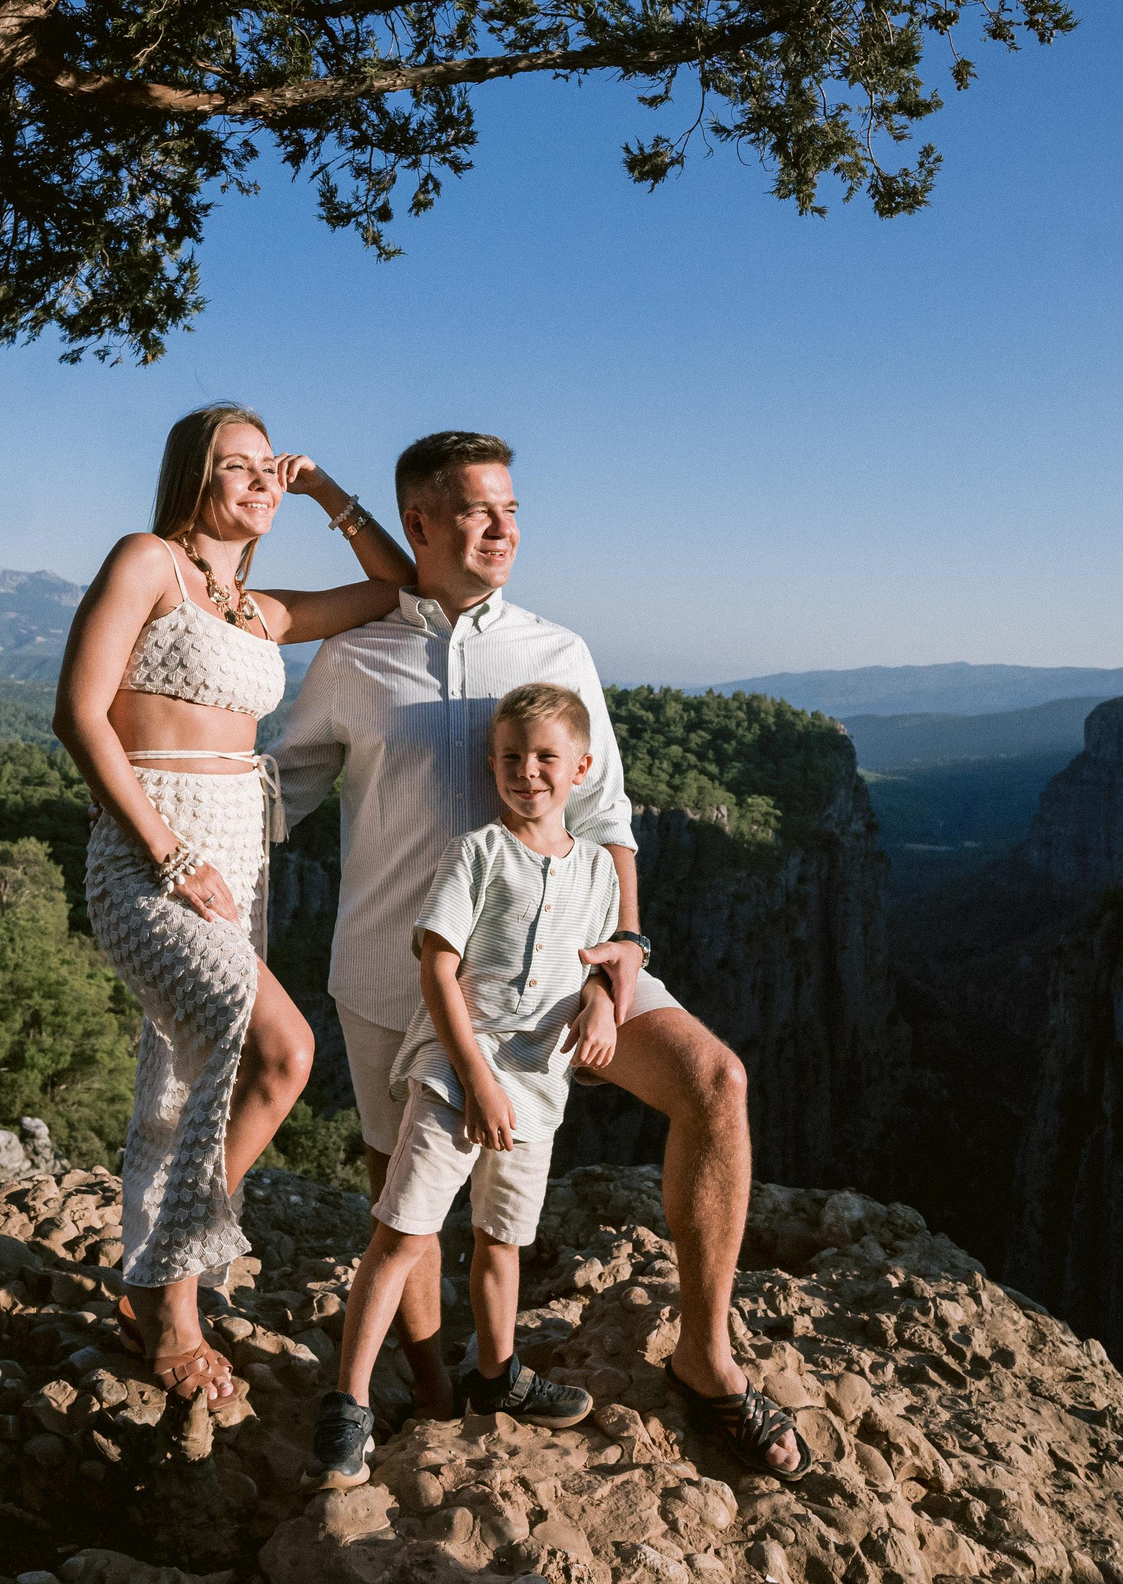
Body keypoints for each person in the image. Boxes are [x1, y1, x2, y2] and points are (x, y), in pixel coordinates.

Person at [270, 431, 810, 1479]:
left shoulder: (559, 652)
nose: (504, 528)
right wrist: (155, 817)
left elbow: (608, 820)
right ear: (419, 522)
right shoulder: (354, 657)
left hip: (569, 963)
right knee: (408, 1211)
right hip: (398, 978)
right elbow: (280, 794)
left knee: (717, 1082)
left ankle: (705, 1359)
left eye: (511, 509)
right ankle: (437, 1397)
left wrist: (620, 964)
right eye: (478, 509)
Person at [55, 403, 414, 1412]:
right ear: (194, 476)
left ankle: (158, 1265)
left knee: (188, 1076)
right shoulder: (147, 563)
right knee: (280, 1050)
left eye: (270, 468)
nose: (262, 483)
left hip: (236, 864)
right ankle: (166, 1288)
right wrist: (167, 853)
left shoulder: (261, 612)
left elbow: (402, 588)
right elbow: (77, 714)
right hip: (148, 857)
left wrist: (326, 488)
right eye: (238, 466)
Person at [306, 683, 616, 1489]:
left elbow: (598, 963)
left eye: (545, 757)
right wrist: (475, 1076)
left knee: (501, 1240)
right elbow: (437, 968)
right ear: (491, 764)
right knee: (403, 1233)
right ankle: (349, 1403)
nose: (527, 771)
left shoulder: (597, 872)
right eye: (511, 757)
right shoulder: (476, 853)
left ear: (582, 767)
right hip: (455, 1076)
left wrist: (601, 1002)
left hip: (538, 1088)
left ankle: (498, 1374)